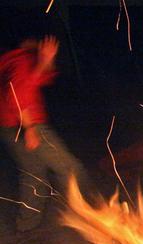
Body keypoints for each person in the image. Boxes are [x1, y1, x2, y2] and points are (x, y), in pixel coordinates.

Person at [0, 35, 92, 232]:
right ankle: (92, 219)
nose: (42, 43)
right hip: (26, 124)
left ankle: (26, 224)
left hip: (9, 127)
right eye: (40, 40)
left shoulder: (10, 59)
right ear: (27, 40)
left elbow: (42, 78)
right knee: (71, 169)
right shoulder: (20, 58)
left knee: (34, 175)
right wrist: (30, 128)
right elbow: (18, 92)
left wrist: (45, 61)